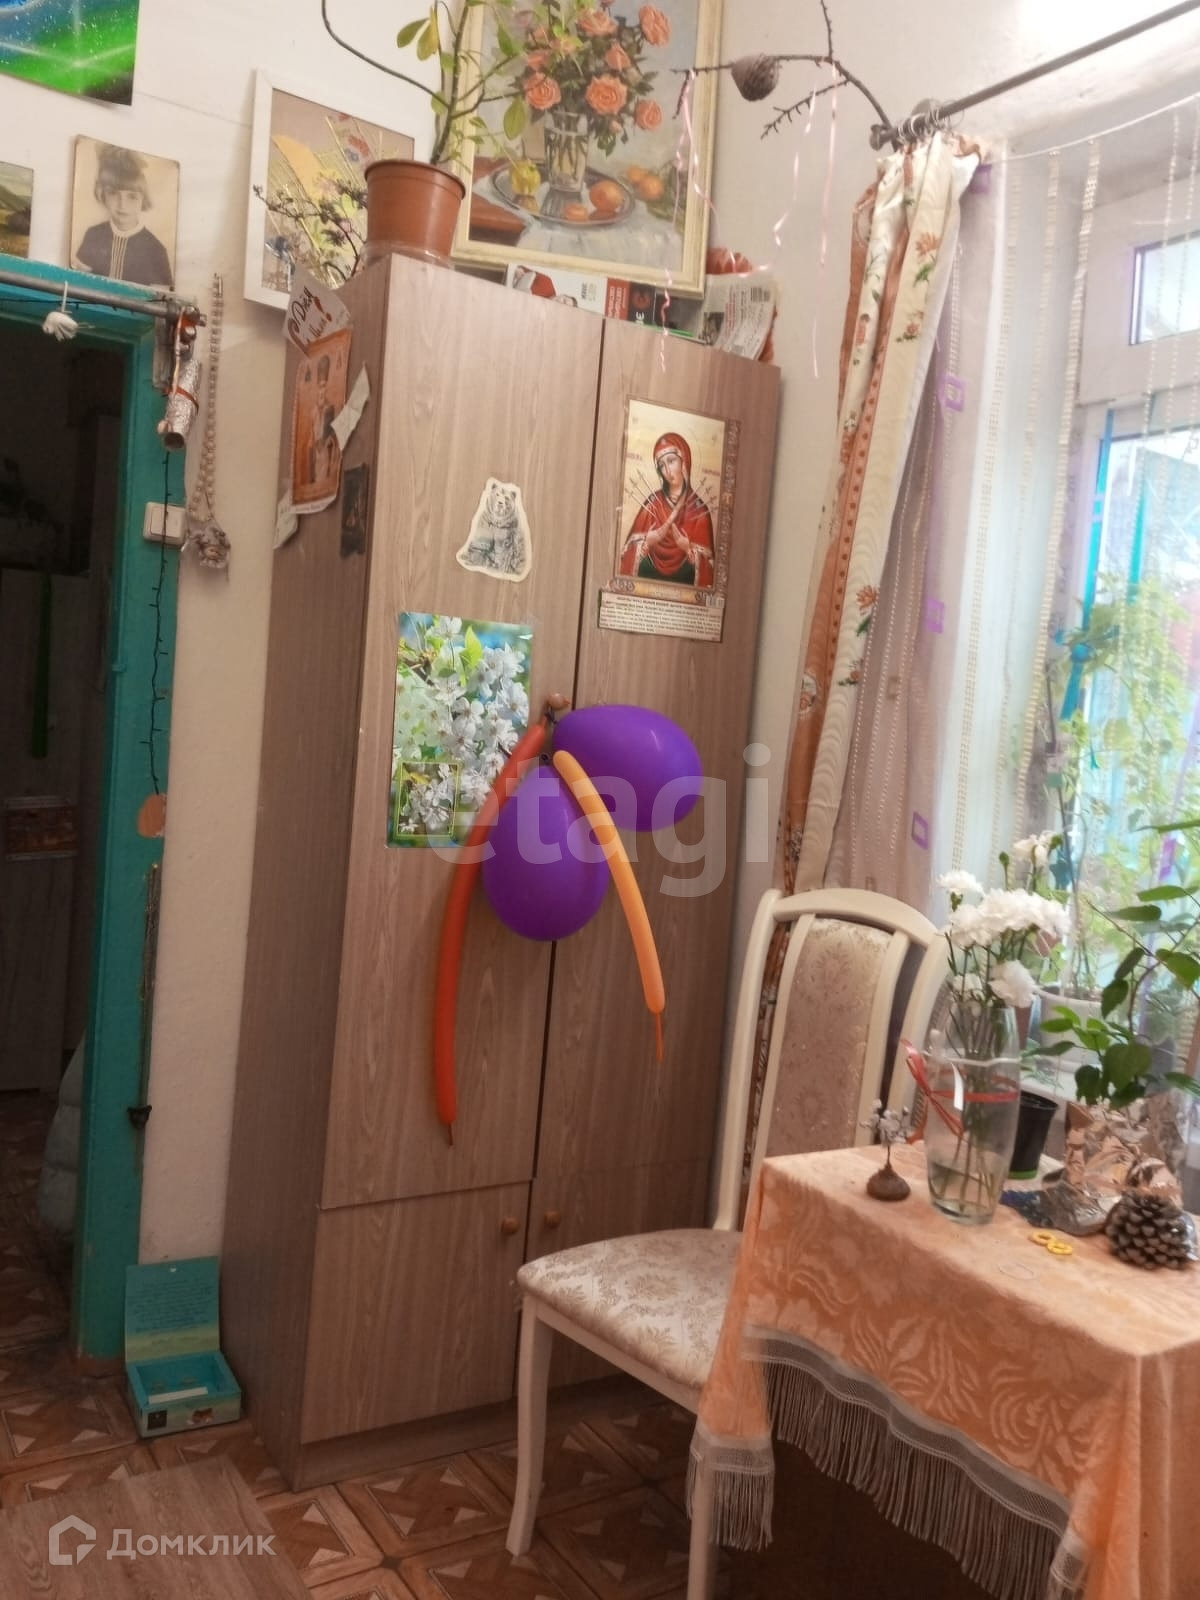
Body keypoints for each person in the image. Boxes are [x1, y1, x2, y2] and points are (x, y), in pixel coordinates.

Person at [619, 431, 715, 587]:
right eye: (662, 466)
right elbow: (625, 558)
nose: (668, 471)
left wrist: (688, 549)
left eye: (671, 461)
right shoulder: (652, 504)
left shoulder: (699, 512)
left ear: (684, 461)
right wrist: (647, 544)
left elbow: (710, 572)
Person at [73, 145, 173, 288]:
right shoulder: (93, 235)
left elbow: (159, 298)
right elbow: (78, 286)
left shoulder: (155, 250)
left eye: (132, 197)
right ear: (103, 195)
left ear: (143, 200)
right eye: (113, 194)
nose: (122, 205)